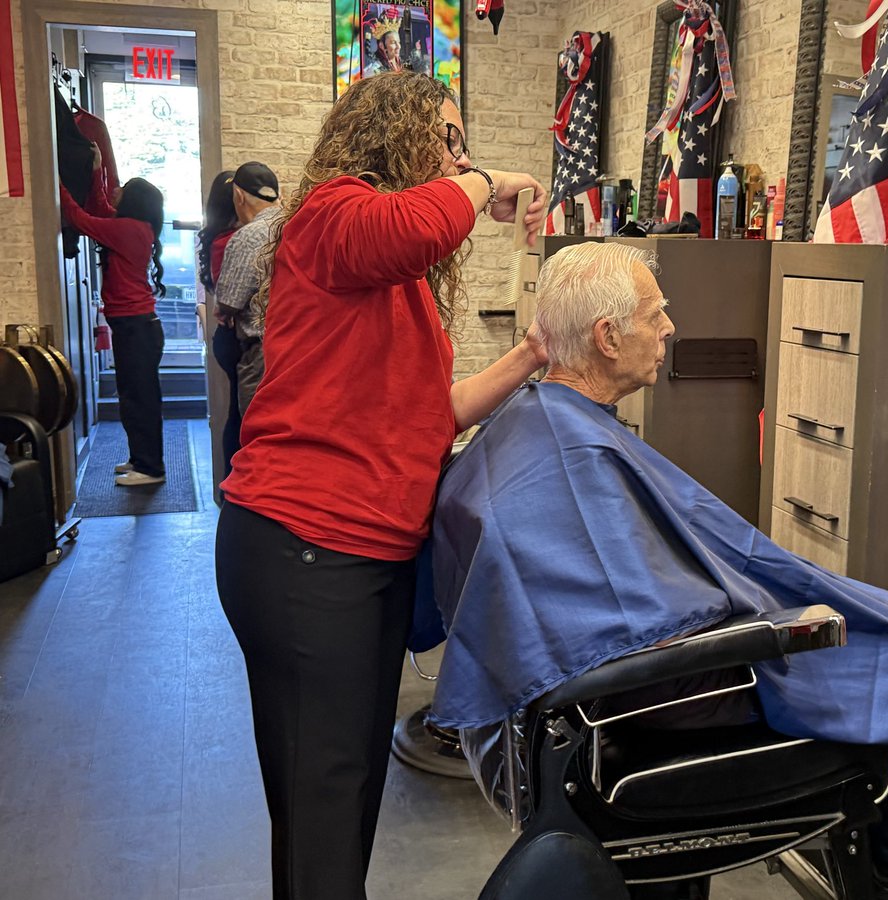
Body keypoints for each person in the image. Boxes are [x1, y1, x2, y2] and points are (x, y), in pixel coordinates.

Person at [424, 243, 888, 900]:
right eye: (655, 316)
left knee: (882, 619)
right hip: (661, 692)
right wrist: (765, 623)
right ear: (606, 338)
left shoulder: (535, 422)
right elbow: (647, 627)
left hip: (593, 697)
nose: (669, 330)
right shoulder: (573, 449)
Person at [213, 70, 548, 900]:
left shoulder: (386, 276)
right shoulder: (332, 212)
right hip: (303, 551)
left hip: (362, 558)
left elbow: (432, 414)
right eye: (447, 136)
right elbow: (419, 224)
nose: (456, 156)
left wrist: (535, 353)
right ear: (398, 136)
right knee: (323, 809)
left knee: (348, 793)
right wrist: (490, 179)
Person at [59, 153, 167, 487]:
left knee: (139, 399)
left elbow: (80, 218)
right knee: (133, 396)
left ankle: (150, 468)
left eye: (123, 188)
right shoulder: (131, 227)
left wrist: (55, 179)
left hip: (136, 328)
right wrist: (93, 173)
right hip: (135, 326)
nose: (116, 190)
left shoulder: (128, 230)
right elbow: (98, 209)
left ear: (133, 200)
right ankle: (140, 459)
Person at [214, 161, 281, 417]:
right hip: (300, 349)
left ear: (238, 196)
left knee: (258, 432)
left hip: (261, 352)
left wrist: (223, 309)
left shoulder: (248, 235)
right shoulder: (299, 224)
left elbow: (229, 301)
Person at [198, 170, 241, 478]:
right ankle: (231, 489)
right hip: (235, 338)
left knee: (239, 413)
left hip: (228, 338)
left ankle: (231, 489)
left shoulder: (219, 240)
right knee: (240, 415)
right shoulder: (230, 242)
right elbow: (229, 301)